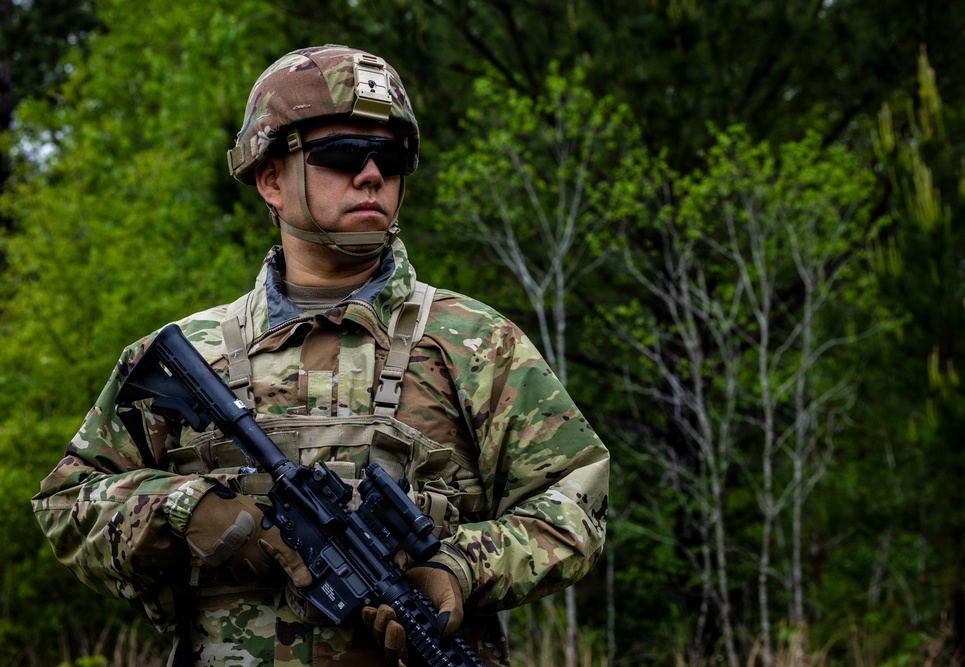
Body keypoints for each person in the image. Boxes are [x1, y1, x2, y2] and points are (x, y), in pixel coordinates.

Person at [32, 44, 609, 667]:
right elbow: (66, 505)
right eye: (340, 156)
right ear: (270, 177)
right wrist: (184, 512)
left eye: (388, 158)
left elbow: (576, 504)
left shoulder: (474, 343)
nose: (371, 175)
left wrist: (458, 568)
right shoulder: (188, 353)